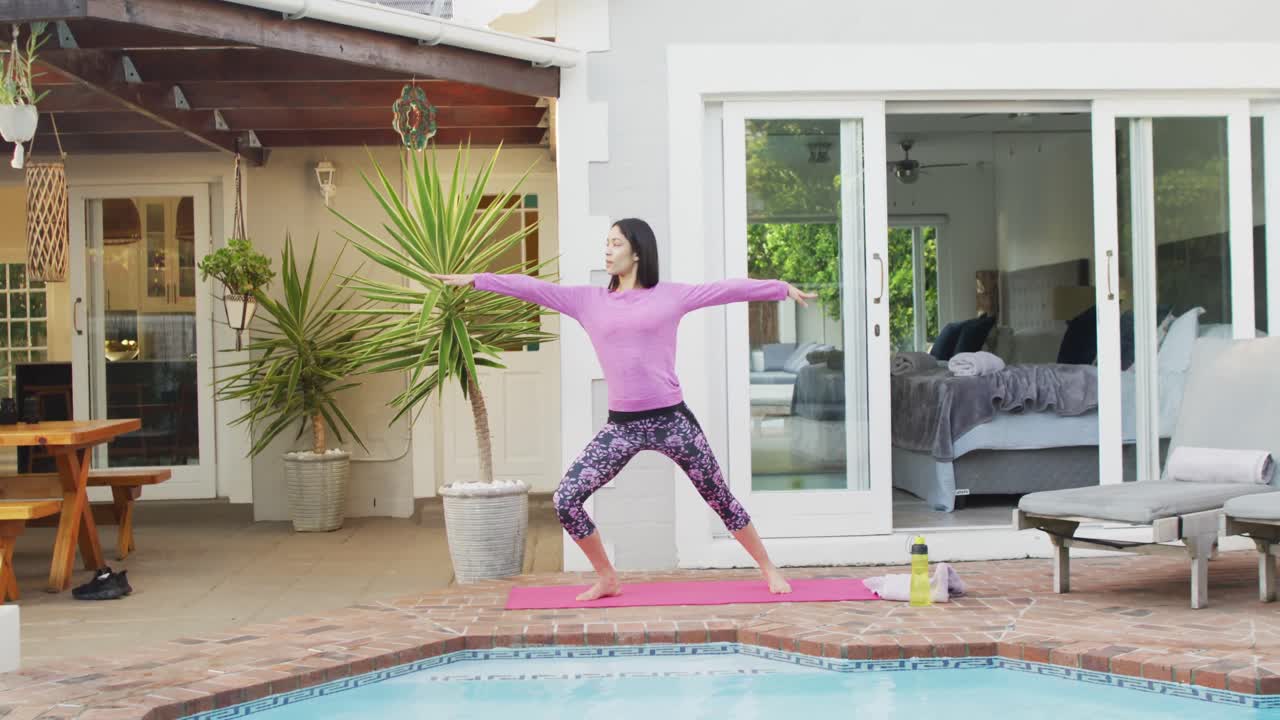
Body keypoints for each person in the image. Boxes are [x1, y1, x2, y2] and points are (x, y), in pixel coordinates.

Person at [429, 218, 816, 601]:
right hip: (622, 426)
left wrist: (779, 289)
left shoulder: (671, 296)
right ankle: (607, 577)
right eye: (607, 242)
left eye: (615, 243)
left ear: (637, 251)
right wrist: (480, 279)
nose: (607, 250)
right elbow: (534, 289)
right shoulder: (588, 301)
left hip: (671, 420)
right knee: (565, 499)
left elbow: (724, 290)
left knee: (718, 496)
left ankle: (768, 567)